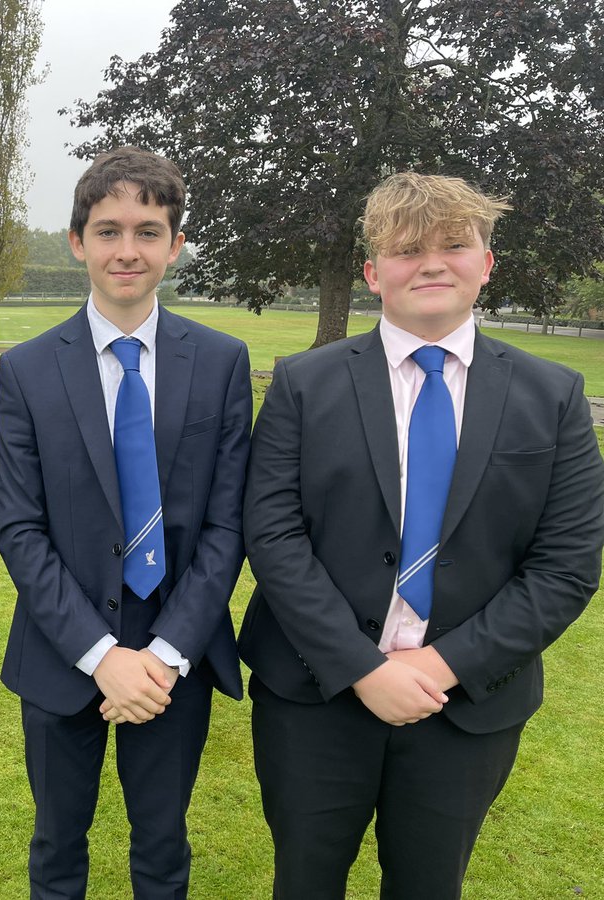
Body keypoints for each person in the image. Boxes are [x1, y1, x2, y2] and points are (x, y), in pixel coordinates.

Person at [240, 171, 604, 898]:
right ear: (375, 273)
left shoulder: (553, 398)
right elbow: (274, 537)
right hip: (316, 698)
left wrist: (438, 669)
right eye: (407, 249)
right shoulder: (304, 385)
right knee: (304, 882)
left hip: (464, 706)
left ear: (486, 262)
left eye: (454, 244)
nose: (432, 262)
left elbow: (565, 566)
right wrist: (364, 668)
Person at [0, 146, 252, 899]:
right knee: (55, 847)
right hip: (61, 651)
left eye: (147, 230)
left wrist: (166, 653)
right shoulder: (30, 369)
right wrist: (100, 653)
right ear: (77, 242)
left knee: (163, 846)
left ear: (175, 244)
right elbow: (20, 528)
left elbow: (227, 526)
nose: (127, 250)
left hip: (180, 654)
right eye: (108, 231)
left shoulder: (221, 361)